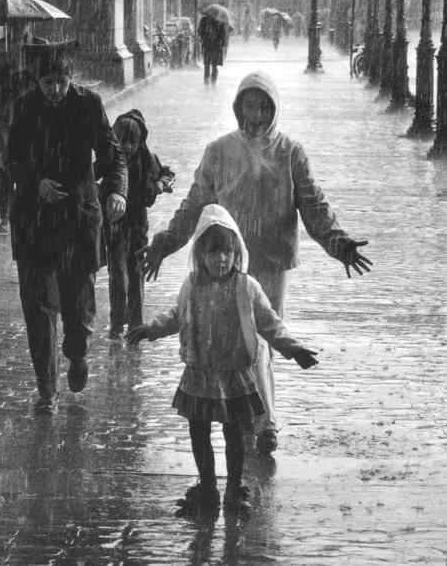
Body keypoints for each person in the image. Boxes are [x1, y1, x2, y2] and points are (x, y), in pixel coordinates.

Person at [139, 71, 372, 455]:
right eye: (250, 105)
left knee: (263, 337)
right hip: (226, 264)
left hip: (272, 263)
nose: (257, 114)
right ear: (238, 107)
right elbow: (195, 204)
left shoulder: (291, 153)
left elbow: (314, 207)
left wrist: (339, 243)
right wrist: (164, 243)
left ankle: (265, 422)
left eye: (265, 107)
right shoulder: (218, 152)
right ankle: (245, 413)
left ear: (274, 110)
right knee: (237, 343)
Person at [127, 204, 318, 514]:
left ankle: (234, 487)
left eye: (227, 252)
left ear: (236, 252)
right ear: (201, 254)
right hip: (199, 373)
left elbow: (269, 322)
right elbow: (178, 315)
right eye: (214, 253)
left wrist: (294, 348)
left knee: (234, 435)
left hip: (235, 375)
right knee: (198, 432)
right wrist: (151, 330)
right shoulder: (192, 285)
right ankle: (206, 486)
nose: (221, 259)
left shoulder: (246, 287)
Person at [8, 42, 128, 413]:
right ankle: (46, 389)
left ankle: (76, 354)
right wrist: (35, 183)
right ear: (37, 81)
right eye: (47, 83)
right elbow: (11, 160)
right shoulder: (25, 108)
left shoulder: (88, 105)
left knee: (78, 309)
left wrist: (116, 192)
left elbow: (114, 156)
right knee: (39, 308)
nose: (55, 90)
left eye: (60, 81)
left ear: (70, 77)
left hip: (78, 220)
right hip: (35, 223)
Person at [106, 109, 175, 338]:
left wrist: (160, 185)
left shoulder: (147, 161)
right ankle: (117, 321)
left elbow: (167, 174)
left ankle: (135, 321)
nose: (126, 147)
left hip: (137, 225)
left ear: (140, 142)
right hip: (114, 225)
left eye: (132, 142)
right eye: (121, 141)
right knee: (117, 273)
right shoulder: (109, 160)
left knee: (135, 272)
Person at [0, 21, 46, 234]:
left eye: (22, 24)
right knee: (4, 166)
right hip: (4, 116)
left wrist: (26, 72)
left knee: (32, 163)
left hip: (32, 115)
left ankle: (33, 212)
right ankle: (5, 217)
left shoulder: (40, 46)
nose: (18, 28)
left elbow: (48, 75)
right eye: (13, 24)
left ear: (29, 24)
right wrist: (1, 68)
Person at [197, 14, 227, 85]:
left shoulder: (205, 20)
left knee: (208, 65)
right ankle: (212, 81)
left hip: (210, 45)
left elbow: (199, 32)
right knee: (212, 65)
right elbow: (223, 35)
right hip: (214, 46)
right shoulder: (219, 21)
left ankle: (208, 80)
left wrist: (203, 37)